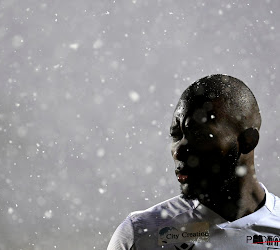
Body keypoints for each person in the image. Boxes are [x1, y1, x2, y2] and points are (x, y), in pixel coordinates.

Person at [107, 74, 280, 250]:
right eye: (177, 135)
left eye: (199, 135)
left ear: (247, 141)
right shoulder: (142, 234)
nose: (178, 151)